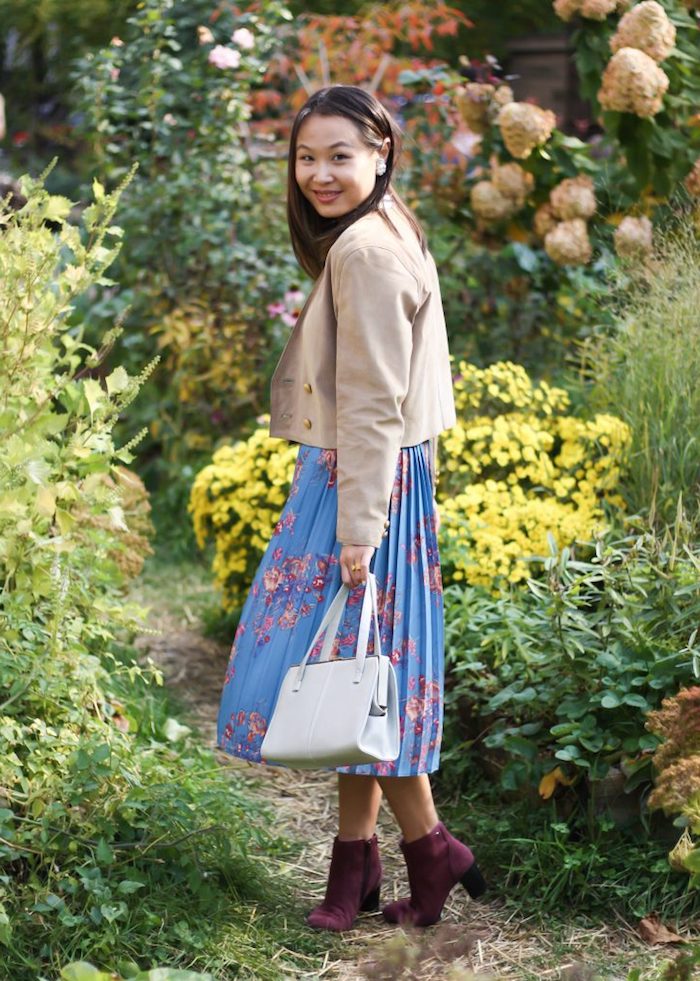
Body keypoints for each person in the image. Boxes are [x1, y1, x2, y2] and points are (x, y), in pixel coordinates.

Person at [216, 84, 486, 932]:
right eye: (306, 157)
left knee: (359, 674)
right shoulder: (387, 226)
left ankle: (429, 849)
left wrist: (359, 529)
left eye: (339, 155)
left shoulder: (365, 251)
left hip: (359, 486)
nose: (319, 174)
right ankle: (358, 867)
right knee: (357, 673)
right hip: (382, 477)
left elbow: (372, 400)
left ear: (381, 150)